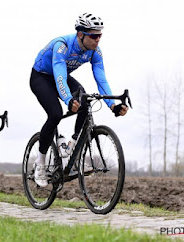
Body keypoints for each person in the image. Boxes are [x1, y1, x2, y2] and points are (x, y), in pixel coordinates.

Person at [30, 13, 128, 187]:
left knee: (85, 104)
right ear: (81, 34)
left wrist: (112, 105)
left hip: (61, 77)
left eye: (100, 35)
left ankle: (73, 149)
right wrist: (68, 99)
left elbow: (101, 79)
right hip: (42, 77)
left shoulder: (95, 52)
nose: (98, 39)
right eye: (94, 35)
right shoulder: (62, 46)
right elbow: (59, 76)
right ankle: (40, 163)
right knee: (55, 113)